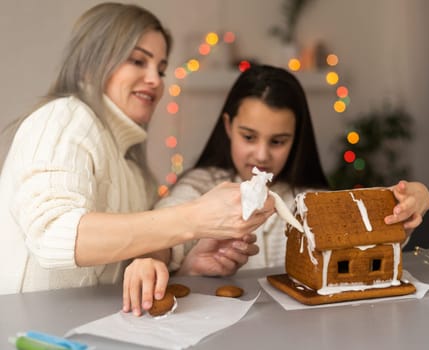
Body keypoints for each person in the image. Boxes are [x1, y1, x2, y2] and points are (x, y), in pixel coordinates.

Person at [0, 2, 275, 310]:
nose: (155, 80)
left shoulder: (136, 174)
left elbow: (121, 276)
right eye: (138, 61)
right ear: (93, 62)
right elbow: (52, 235)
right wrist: (196, 217)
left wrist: (191, 268)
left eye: (160, 69)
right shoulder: (64, 119)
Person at [123, 64, 429, 312]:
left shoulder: (315, 202)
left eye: (278, 141)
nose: (261, 155)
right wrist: (152, 259)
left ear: (296, 139)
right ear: (228, 127)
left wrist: (411, 197)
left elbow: (370, 243)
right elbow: (163, 229)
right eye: (248, 137)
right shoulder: (202, 185)